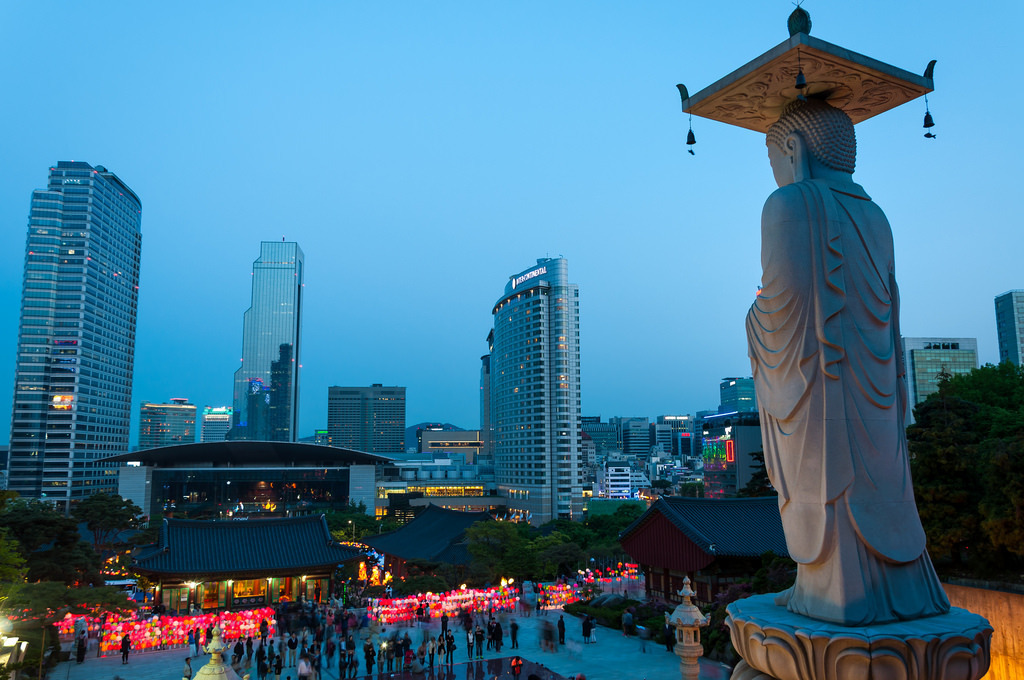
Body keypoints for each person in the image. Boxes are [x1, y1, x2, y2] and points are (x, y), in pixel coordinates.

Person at [749, 97, 950, 626]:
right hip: (876, 388)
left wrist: (754, 316)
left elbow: (781, 311)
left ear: (791, 149)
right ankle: (898, 587)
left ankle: (832, 590)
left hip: (822, 382)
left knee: (828, 480)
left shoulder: (788, 205)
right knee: (874, 483)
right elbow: (887, 312)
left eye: (772, 159)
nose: (774, 172)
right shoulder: (876, 216)